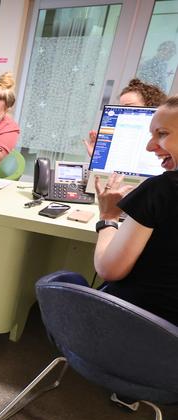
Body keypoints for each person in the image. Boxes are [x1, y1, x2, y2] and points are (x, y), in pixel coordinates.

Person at [93, 95, 178, 325]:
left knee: (63, 279)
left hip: (139, 330)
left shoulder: (162, 190)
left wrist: (108, 218)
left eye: (162, 134)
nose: (150, 146)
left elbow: (109, 269)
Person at [83, 78, 167, 158]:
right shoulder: (121, 139)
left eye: (129, 107)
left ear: (151, 106)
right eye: (121, 108)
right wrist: (98, 156)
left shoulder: (164, 142)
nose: (122, 112)